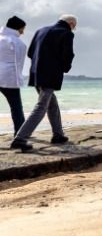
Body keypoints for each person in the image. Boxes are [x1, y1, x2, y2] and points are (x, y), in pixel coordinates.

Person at [10, 14, 76, 152]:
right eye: (74, 27)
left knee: (51, 103)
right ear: (71, 24)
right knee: (41, 106)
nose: (73, 29)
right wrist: (64, 68)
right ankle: (20, 138)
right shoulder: (67, 34)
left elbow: (30, 53)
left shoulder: (41, 30)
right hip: (50, 74)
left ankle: (58, 135)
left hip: (35, 73)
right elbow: (67, 55)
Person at [0, 16, 28, 136]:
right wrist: (19, 80)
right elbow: (19, 64)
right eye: (22, 29)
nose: (23, 32)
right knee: (16, 106)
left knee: (15, 106)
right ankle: (20, 134)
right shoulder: (18, 43)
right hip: (8, 79)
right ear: (17, 28)